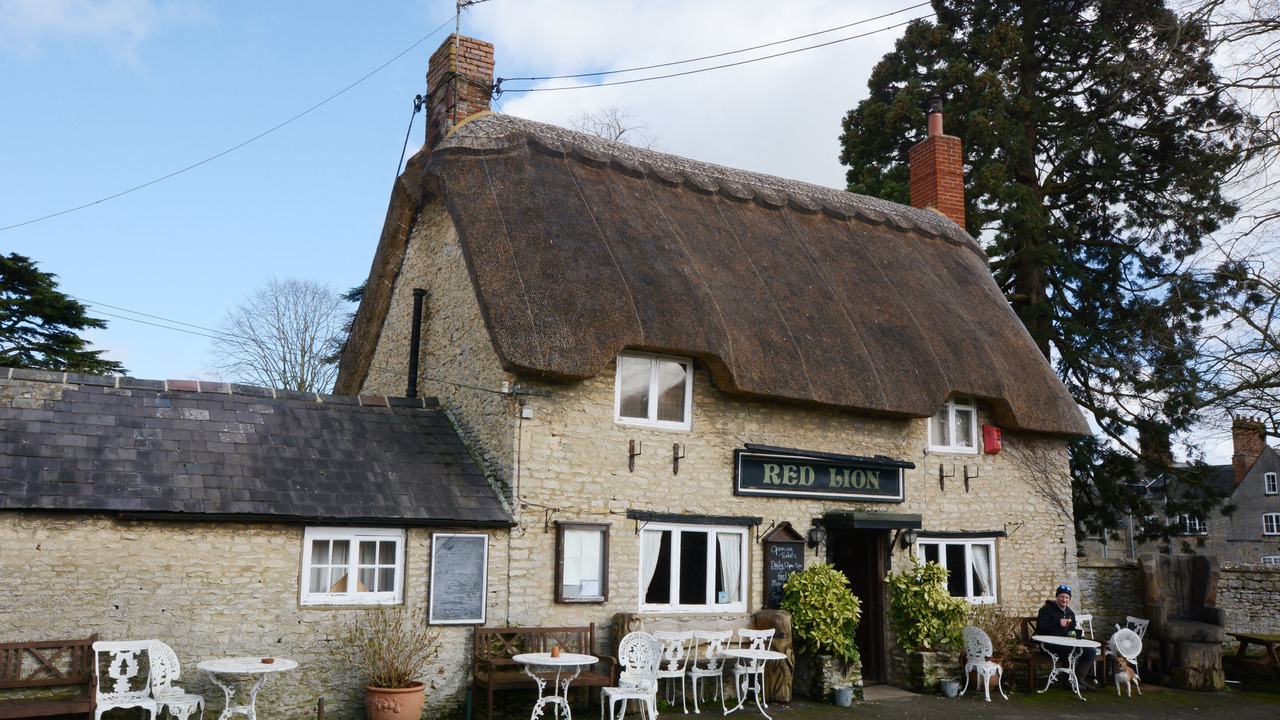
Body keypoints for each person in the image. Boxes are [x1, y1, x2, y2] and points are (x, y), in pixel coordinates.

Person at [1035, 583, 1097, 689]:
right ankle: (1068, 681)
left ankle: (1079, 680)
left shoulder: (1070, 613)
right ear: (1057, 597)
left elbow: (1070, 631)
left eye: (1067, 597)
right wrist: (1057, 624)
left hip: (1065, 642)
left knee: (1091, 651)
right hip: (1048, 644)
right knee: (1073, 651)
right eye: (1062, 597)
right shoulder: (1046, 610)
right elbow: (1040, 629)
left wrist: (1080, 638)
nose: (1064, 600)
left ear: (1069, 599)